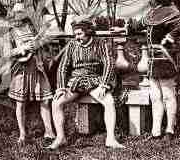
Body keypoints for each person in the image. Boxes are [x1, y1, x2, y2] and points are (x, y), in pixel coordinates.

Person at [50, 18, 124, 150]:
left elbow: (109, 63)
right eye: (75, 34)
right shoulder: (72, 45)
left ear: (88, 32)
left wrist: (104, 84)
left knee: (109, 101)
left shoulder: (101, 43)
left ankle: (111, 139)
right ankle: (60, 138)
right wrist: (61, 87)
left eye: (80, 34)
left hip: (94, 81)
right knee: (56, 102)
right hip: (76, 82)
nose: (77, 37)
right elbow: (63, 67)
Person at [127, 0, 180, 141]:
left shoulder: (170, 11)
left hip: (166, 58)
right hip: (153, 60)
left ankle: (170, 130)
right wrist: (126, 27)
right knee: (155, 97)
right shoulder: (151, 14)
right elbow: (137, 26)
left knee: (168, 95)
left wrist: (170, 37)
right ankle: (156, 132)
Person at [3, 2, 55, 145]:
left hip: (37, 66)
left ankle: (49, 132)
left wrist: (38, 43)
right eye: (16, 14)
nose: (18, 17)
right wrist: (22, 48)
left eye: (21, 13)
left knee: (45, 100)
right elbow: (6, 53)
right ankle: (22, 134)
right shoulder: (10, 32)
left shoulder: (32, 27)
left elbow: (47, 39)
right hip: (21, 69)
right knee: (21, 103)